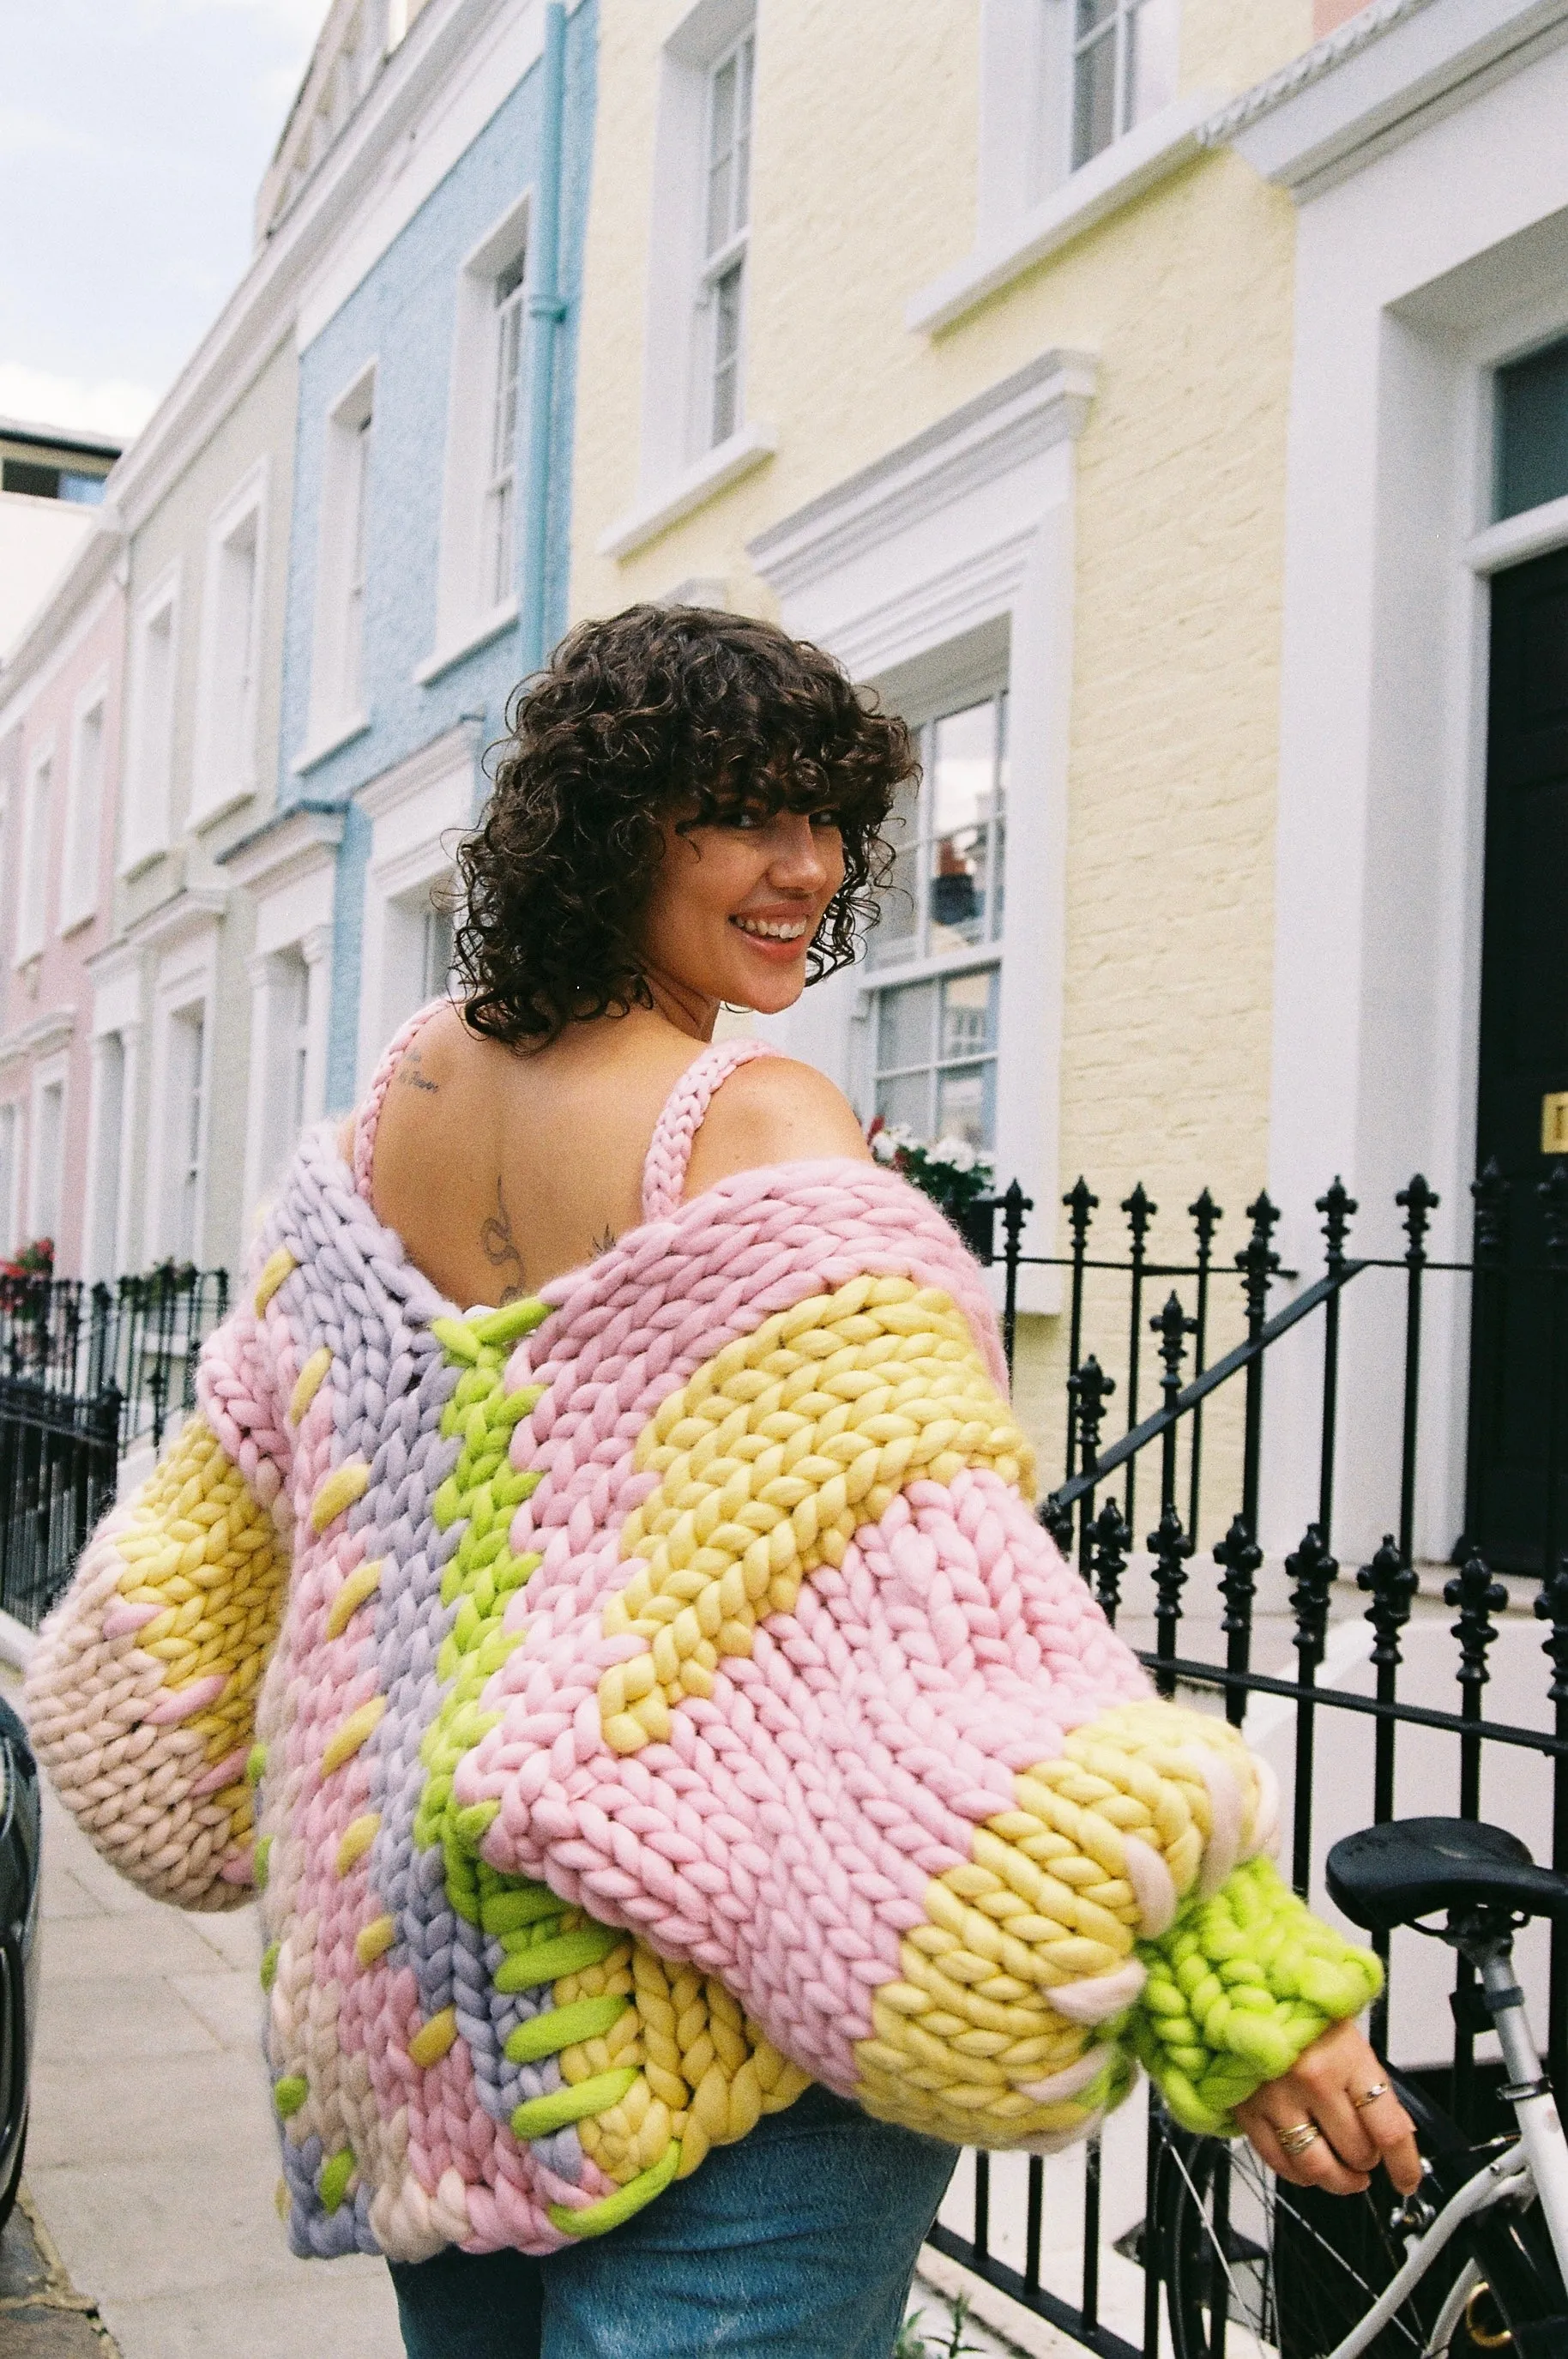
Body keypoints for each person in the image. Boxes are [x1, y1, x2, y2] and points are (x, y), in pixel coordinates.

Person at [30, 608, 1419, 2359]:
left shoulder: (411, 1092)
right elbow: (950, 1596)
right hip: (707, 2032)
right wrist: (1230, 1962)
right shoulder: (750, 1119)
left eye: (827, 821)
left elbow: (265, 1481)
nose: (802, 869)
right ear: (614, 826)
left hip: (438, 2023)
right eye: (741, 815)